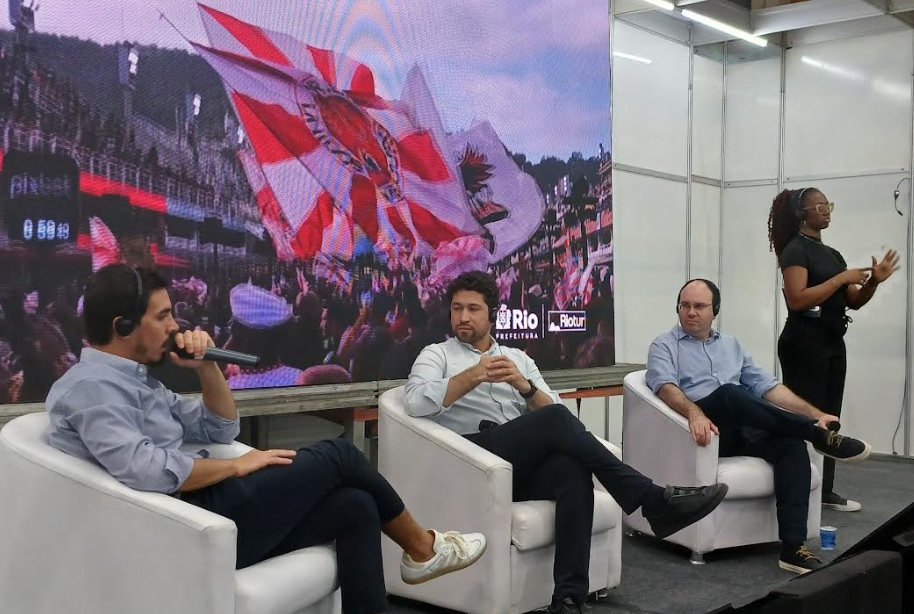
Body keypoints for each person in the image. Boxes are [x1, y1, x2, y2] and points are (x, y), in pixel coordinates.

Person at [45, 264, 487, 614]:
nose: (174, 326)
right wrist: (237, 466)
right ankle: (424, 548)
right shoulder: (91, 389)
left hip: (209, 505)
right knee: (340, 455)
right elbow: (147, 471)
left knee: (356, 506)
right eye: (162, 317)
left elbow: (220, 428)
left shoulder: (138, 380)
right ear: (123, 327)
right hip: (183, 521)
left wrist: (205, 366)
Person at [405, 271, 728, 614]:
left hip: (514, 465)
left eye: (473, 309)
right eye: (457, 309)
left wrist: (524, 387)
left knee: (572, 471)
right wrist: (473, 375)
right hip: (471, 456)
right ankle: (651, 499)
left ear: (492, 314)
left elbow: (560, 416)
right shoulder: (436, 354)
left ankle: (569, 598)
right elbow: (415, 402)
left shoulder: (519, 358)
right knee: (555, 422)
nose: (464, 317)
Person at [646, 278, 873, 575]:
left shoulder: (732, 345)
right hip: (704, 431)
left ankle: (793, 548)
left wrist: (816, 413)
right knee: (731, 393)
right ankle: (815, 435)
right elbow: (664, 387)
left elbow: (767, 387)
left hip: (744, 427)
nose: (691, 312)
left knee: (790, 446)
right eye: (684, 306)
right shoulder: (664, 345)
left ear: (715, 311)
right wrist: (694, 414)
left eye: (699, 306)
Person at [768, 188, 899, 513]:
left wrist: (873, 282)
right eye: (822, 206)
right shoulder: (795, 251)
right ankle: (801, 484)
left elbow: (853, 300)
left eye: (830, 205)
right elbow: (797, 299)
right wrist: (841, 279)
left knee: (830, 415)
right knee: (808, 415)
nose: (828, 211)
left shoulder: (832, 254)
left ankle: (823, 489)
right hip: (804, 341)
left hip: (830, 339)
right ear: (804, 212)